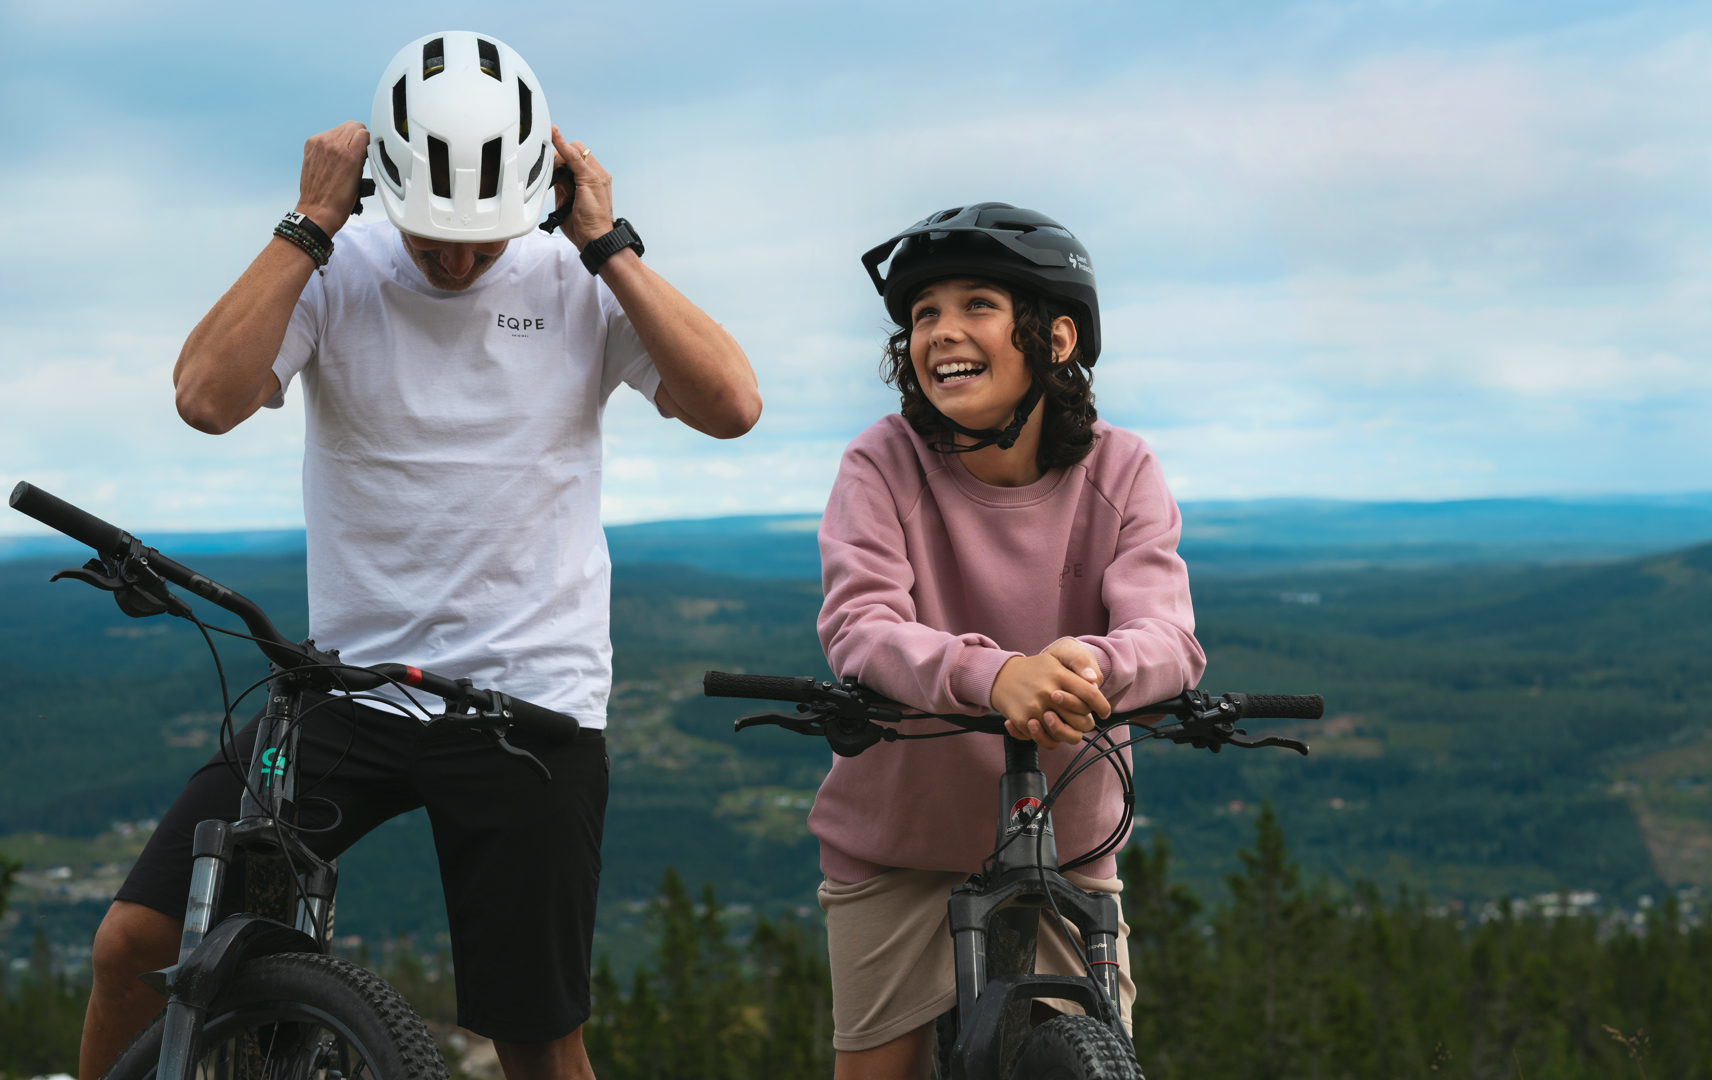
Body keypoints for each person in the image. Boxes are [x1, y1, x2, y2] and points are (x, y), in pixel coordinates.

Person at [78, 31, 760, 1080]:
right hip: (344, 691)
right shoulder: (331, 270)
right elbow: (206, 399)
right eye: (433, 233)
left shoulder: (577, 279)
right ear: (383, 185)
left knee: (536, 1040)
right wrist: (307, 222)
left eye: (482, 237)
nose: (455, 258)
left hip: (529, 707)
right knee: (137, 942)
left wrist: (609, 241)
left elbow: (733, 406)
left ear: (538, 189)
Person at [811, 202, 1204, 1078]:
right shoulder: (883, 462)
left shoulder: (1122, 467)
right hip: (900, 845)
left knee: (1090, 1063)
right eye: (924, 314)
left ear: (1055, 337)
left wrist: (1090, 664)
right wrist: (996, 677)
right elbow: (861, 625)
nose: (942, 331)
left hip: (1068, 845)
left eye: (977, 304)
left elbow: (1170, 638)